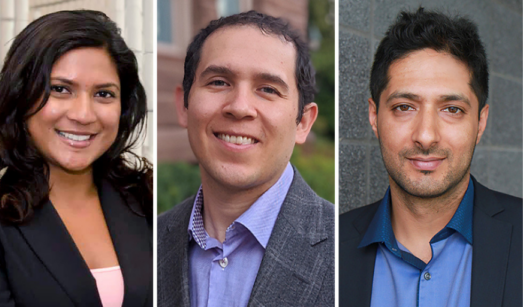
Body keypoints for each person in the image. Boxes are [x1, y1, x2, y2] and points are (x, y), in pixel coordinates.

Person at [338, 8, 521, 307]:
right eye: (404, 107)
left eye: (452, 109)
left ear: (481, 122)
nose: (425, 135)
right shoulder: (335, 244)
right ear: (374, 116)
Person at [157, 10, 334, 307]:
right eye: (218, 82)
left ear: (303, 122)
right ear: (184, 106)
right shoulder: (150, 241)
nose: (239, 107)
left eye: (267, 89)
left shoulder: (344, 252)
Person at [0, 10, 152, 306]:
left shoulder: (147, 198)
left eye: (104, 94)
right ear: (21, 97)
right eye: (60, 89)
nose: (83, 115)